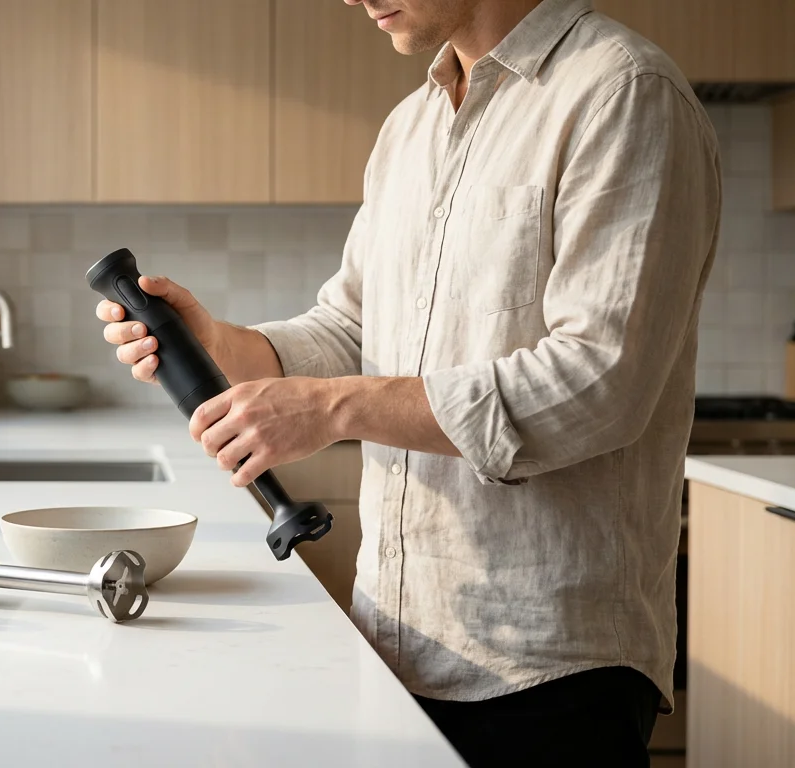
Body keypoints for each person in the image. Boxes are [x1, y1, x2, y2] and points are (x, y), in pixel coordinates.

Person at [94, 0, 720, 765]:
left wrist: (331, 409)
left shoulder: (621, 93)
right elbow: (356, 332)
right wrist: (220, 343)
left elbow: (598, 383)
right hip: (395, 643)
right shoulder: (411, 128)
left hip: (552, 666)